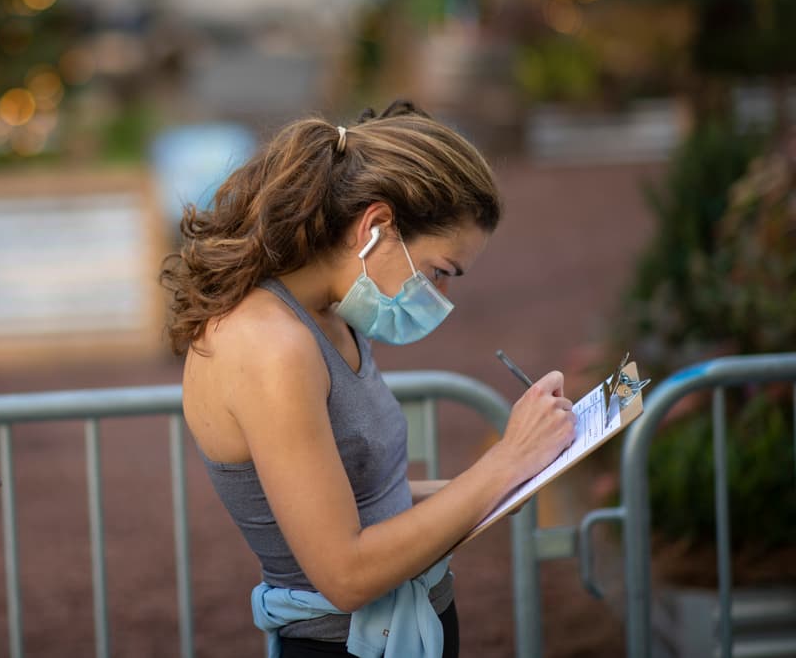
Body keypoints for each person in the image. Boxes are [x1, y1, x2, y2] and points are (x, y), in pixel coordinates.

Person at [162, 102, 577, 658]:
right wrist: (503, 465)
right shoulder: (271, 345)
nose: (442, 299)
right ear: (377, 225)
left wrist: (500, 484)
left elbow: (363, 497)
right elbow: (346, 574)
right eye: (440, 273)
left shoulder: (328, 315)